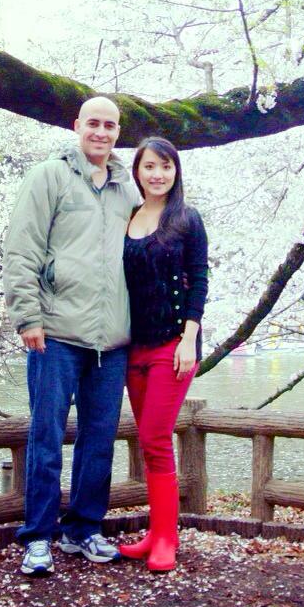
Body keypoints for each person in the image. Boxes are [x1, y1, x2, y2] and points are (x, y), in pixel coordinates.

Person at [3, 96, 139, 576]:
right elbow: (22, 248)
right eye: (93, 123)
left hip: (112, 340)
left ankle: (83, 529)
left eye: (110, 125)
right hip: (56, 332)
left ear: (118, 132)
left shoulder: (128, 189)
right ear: (77, 125)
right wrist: (28, 317)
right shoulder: (50, 177)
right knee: (47, 435)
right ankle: (38, 536)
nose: (101, 132)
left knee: (99, 440)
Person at [118, 137, 209, 572]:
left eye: (166, 166)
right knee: (148, 441)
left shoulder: (187, 219)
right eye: (150, 166)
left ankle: (167, 540)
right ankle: (155, 534)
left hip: (173, 345)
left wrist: (189, 339)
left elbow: (199, 279)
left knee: (156, 436)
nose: (158, 174)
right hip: (133, 344)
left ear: (176, 171)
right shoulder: (128, 217)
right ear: (138, 171)